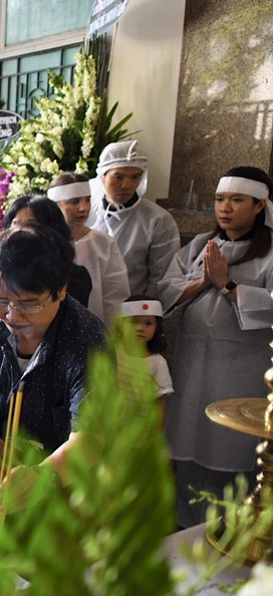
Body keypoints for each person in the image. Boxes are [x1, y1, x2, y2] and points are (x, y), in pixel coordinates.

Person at [157, 166, 273, 528]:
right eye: (221, 199)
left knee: (231, 454)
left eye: (237, 200)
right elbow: (166, 290)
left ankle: (229, 532)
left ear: (259, 205)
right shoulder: (198, 247)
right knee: (186, 452)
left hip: (240, 373)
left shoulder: (269, 253)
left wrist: (228, 286)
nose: (225, 207)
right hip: (192, 370)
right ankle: (183, 533)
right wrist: (204, 281)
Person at [0, 224, 107, 505]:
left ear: (61, 291)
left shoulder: (88, 342)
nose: (12, 315)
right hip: (3, 474)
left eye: (29, 304)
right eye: (1, 299)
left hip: (64, 487)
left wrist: (42, 477)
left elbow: (90, 439)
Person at [91, 140, 180, 298]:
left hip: (130, 312)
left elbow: (161, 278)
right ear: (102, 176)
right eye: (118, 177)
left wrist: (144, 313)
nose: (126, 185)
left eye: (135, 177)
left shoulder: (158, 220)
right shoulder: (86, 212)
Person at [48, 173, 131, 323]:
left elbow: (115, 297)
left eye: (87, 200)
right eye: (74, 202)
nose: (83, 208)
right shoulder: (42, 242)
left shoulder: (104, 244)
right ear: (56, 204)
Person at [4, 194, 94, 310]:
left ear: (52, 231)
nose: (19, 232)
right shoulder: (1, 273)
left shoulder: (75, 277)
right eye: (15, 224)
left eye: (30, 225)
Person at [114, 298, 173, 423]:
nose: (140, 328)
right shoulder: (113, 353)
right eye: (133, 322)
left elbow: (160, 403)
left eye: (148, 323)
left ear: (156, 328)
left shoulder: (158, 363)